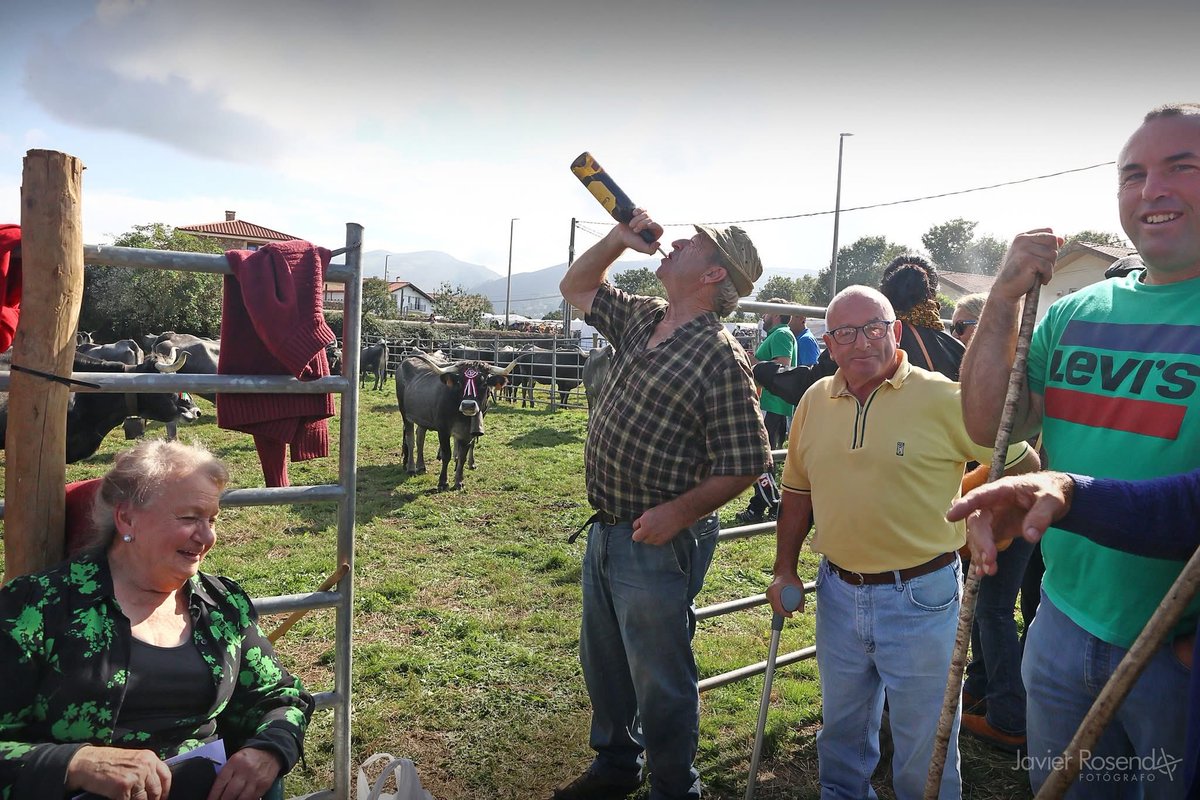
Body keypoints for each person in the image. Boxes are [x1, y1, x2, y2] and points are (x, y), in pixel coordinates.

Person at [960, 103, 1200, 796]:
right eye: (1133, 174)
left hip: (1177, 644)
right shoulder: (1074, 313)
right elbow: (987, 425)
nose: (1150, 189)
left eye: (1179, 167)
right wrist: (1003, 298)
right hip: (1060, 622)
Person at [768, 285, 1038, 800]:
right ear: (828, 343)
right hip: (837, 591)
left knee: (925, 743)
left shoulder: (943, 397)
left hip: (922, 594)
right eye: (845, 333)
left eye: (873, 327)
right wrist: (784, 567)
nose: (860, 342)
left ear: (895, 331)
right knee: (842, 732)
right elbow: (797, 490)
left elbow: (1022, 460)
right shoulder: (814, 401)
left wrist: (979, 506)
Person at [555, 210, 771, 800]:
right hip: (608, 526)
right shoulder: (643, 317)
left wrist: (679, 512)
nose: (673, 243)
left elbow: (749, 460)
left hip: (658, 537)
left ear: (712, 273)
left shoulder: (720, 356)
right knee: (604, 661)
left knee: (659, 674)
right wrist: (616, 241)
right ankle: (616, 767)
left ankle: (676, 786)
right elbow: (577, 287)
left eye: (693, 242)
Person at [0, 440, 314, 800]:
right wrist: (76, 763)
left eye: (211, 519)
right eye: (188, 518)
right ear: (126, 518)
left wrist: (269, 750)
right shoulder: (40, 606)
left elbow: (278, 697)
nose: (207, 536)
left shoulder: (221, 604)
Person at [946, 468, 1200, 798]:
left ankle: (1004, 715)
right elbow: (1184, 504)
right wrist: (1068, 494)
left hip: (1175, 660)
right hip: (1061, 623)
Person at [752, 255, 964, 407]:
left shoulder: (857, 341)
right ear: (932, 295)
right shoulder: (954, 347)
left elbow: (808, 385)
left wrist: (759, 368)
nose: (865, 343)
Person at [736, 298, 797, 524]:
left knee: (762, 458)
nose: (762, 316)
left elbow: (781, 366)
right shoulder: (779, 334)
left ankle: (771, 505)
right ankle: (762, 506)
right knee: (764, 459)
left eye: (766, 311)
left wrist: (749, 361)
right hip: (771, 404)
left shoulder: (781, 334)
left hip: (774, 405)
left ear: (776, 313)